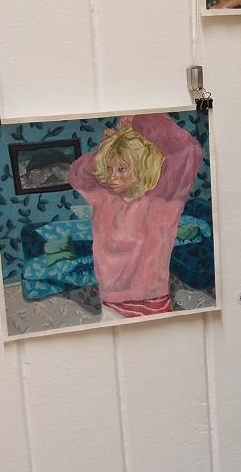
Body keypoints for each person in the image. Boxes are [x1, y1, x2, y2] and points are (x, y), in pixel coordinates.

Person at [69, 114, 202, 319]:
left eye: (122, 169)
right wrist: (110, 145)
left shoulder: (162, 203)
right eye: (108, 168)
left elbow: (189, 150)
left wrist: (140, 122)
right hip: (110, 303)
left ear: (142, 169)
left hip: (152, 303)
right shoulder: (103, 198)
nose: (112, 176)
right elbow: (78, 173)